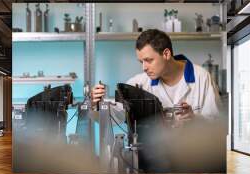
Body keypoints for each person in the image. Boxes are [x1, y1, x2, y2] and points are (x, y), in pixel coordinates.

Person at [91, 29, 220, 120]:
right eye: (141, 61)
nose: (144, 67)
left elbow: (215, 125)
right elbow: (117, 114)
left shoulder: (201, 77)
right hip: (155, 155)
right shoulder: (140, 83)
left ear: (166, 54)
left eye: (148, 60)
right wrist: (96, 104)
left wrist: (195, 119)